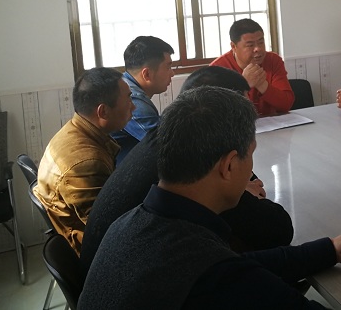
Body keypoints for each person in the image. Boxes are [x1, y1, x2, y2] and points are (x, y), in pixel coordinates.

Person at [79, 86, 341, 309]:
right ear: (229, 166)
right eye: (251, 155)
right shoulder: (216, 280)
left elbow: (236, 264)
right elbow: (230, 274)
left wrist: (329, 250)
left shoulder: (131, 225)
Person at [80, 66, 294, 274]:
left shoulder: (165, 138)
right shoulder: (196, 162)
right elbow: (277, 231)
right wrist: (243, 191)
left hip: (106, 272)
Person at [34, 67, 134, 255]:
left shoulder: (75, 129)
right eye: (128, 99)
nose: (133, 107)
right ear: (103, 111)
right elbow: (108, 228)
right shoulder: (86, 163)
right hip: (96, 254)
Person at [211, 18, 294, 116]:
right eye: (250, 45)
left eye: (261, 42)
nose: (258, 49)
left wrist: (262, 84)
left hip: (272, 123)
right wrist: (243, 85)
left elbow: (286, 104)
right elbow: (217, 113)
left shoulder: (273, 60)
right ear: (233, 46)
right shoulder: (216, 69)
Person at [111, 36, 174, 163]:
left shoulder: (125, 84)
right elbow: (166, 146)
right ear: (147, 74)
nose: (172, 73)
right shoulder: (132, 100)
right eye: (168, 67)